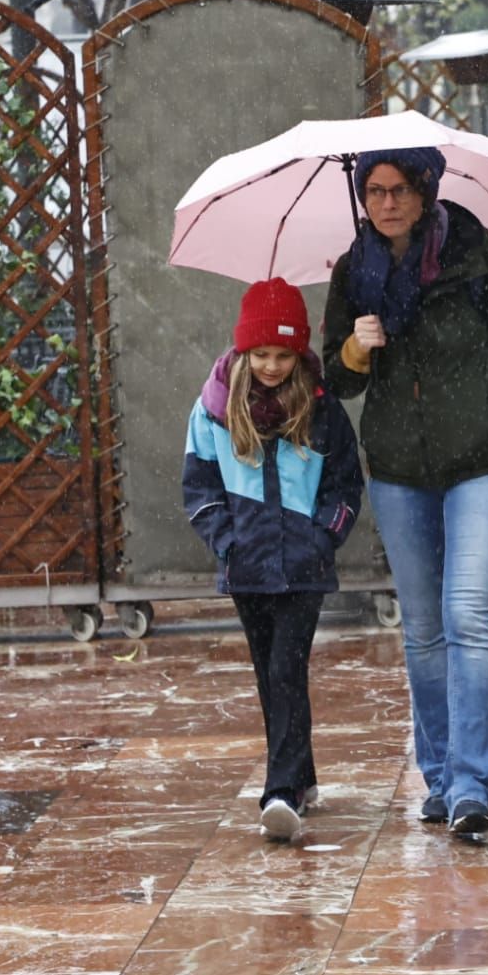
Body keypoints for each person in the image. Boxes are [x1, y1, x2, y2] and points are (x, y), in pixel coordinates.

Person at [322, 147, 488, 842]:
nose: (385, 204)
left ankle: (474, 787)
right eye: (373, 192)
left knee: (464, 618)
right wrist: (357, 349)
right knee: (420, 631)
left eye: (398, 190)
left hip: (483, 462)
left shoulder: (474, 255)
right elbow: (336, 379)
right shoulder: (354, 272)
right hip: (398, 469)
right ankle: (441, 778)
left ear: (425, 193)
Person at [182, 278, 364, 843]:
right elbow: (199, 481)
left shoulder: (322, 407)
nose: (270, 365)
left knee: (287, 667)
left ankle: (280, 790)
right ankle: (303, 776)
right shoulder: (214, 409)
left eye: (283, 355)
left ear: (299, 353)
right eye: (260, 353)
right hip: (247, 565)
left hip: (303, 565)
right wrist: (226, 540)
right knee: (269, 674)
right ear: (242, 351)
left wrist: (323, 537)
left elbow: (344, 483)